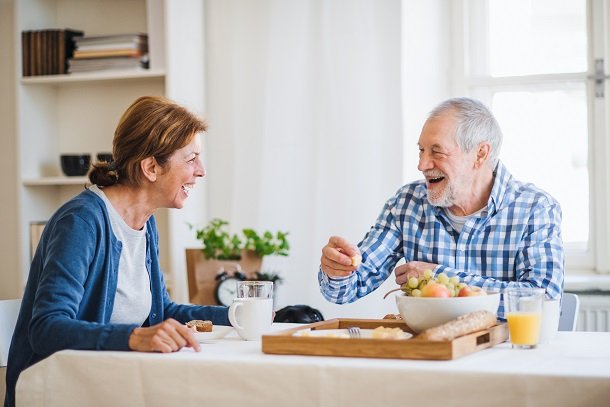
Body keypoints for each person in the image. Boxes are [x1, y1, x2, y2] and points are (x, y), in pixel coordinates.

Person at [4, 96, 229, 407]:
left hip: (110, 383)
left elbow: (161, 311)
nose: (201, 171)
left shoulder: (144, 221)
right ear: (151, 167)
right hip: (60, 391)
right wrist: (135, 337)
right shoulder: (82, 221)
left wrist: (237, 314)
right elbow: (46, 328)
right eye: (191, 159)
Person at [318, 97, 564, 318]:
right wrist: (339, 270)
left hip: (505, 357)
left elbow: (544, 300)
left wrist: (441, 279)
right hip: (430, 358)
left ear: (480, 154)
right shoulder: (406, 203)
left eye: (437, 151)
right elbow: (345, 291)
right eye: (421, 150)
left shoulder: (536, 208)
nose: (422, 164)